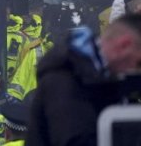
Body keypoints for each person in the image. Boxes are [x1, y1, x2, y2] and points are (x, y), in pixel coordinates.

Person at [29, 14, 141, 146]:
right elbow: (76, 139)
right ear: (124, 46)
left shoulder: (105, 79)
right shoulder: (65, 79)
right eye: (139, 63)